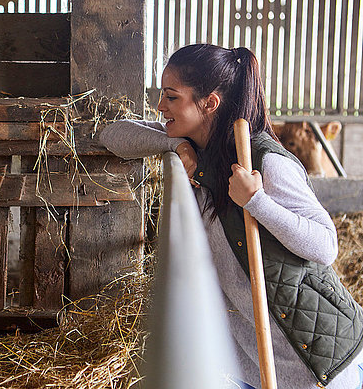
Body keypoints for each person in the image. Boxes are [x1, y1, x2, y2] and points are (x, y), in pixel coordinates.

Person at [99, 44, 363, 389]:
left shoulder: (265, 162)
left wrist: (257, 201)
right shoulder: (199, 150)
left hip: (317, 360)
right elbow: (112, 134)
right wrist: (174, 146)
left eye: (171, 96)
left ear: (209, 103)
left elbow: (326, 245)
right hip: (256, 360)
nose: (160, 106)